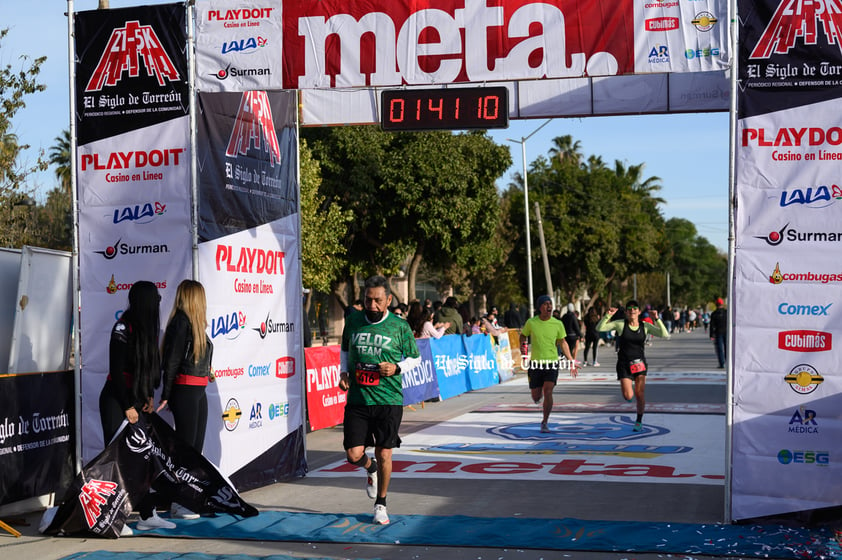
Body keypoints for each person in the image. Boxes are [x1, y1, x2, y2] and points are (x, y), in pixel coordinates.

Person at [338, 275, 421, 525]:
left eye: (377, 300)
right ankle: (369, 468)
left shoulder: (399, 326)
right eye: (368, 300)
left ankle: (381, 504)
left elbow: (415, 358)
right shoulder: (353, 320)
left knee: (385, 453)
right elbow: (344, 350)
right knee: (353, 454)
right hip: (359, 399)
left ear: (388, 300)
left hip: (388, 399)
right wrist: (343, 372)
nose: (372, 305)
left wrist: (395, 368)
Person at [98, 280, 175, 531]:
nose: (159, 303)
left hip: (135, 399)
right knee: (116, 461)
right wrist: (128, 405)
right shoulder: (122, 326)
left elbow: (148, 368)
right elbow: (117, 372)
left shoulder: (147, 327)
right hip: (115, 399)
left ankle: (147, 514)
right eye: (155, 298)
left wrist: (147, 397)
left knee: (143, 458)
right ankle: (110, 518)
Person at [157, 280, 214, 520]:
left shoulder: (195, 324)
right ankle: (179, 501)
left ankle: (187, 497)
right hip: (186, 389)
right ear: (194, 298)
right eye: (201, 296)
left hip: (198, 389)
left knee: (195, 448)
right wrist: (166, 394)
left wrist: (208, 371)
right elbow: (170, 362)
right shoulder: (180, 322)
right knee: (186, 448)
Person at [596, 300, 669, 432]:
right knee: (628, 395)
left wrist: (657, 319)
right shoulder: (620, 324)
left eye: (635, 308)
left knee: (640, 394)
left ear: (639, 312)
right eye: (629, 309)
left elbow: (664, 334)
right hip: (624, 364)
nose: (632, 311)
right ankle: (631, 399)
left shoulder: (645, 325)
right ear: (626, 312)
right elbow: (599, 328)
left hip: (639, 364)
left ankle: (639, 420)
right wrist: (608, 316)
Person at [519, 295, 578, 434]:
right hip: (535, 364)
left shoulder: (557, 323)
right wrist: (523, 344)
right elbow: (523, 335)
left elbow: (563, 342)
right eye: (545, 304)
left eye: (550, 304)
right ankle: (536, 396)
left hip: (551, 362)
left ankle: (544, 422)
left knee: (548, 391)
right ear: (540, 307)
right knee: (536, 396)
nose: (549, 306)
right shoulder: (531, 322)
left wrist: (571, 360)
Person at [709, 298, 727, 369]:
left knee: (719, 348)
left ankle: (722, 363)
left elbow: (712, 325)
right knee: (727, 348)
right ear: (722, 304)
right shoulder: (727, 312)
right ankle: (727, 362)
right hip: (726, 332)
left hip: (718, 332)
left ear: (716, 304)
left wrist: (711, 334)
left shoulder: (714, 313)